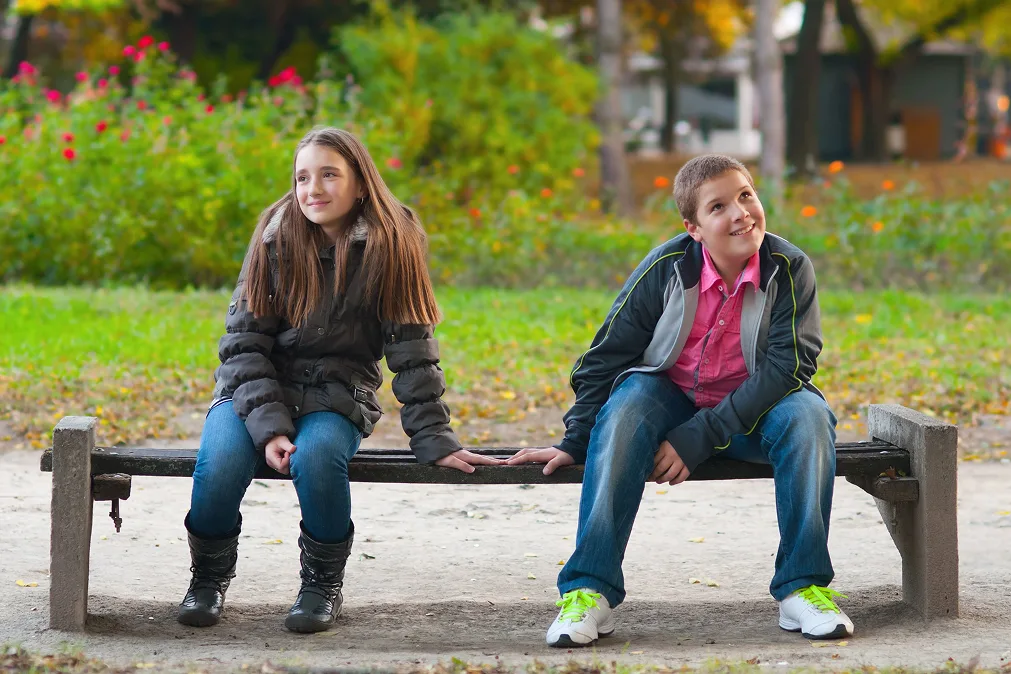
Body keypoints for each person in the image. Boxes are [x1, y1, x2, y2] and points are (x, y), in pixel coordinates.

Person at [509, 154, 853, 646]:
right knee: (628, 404)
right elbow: (606, 357)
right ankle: (588, 590)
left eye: (745, 195)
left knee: (810, 418)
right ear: (693, 227)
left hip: (755, 411)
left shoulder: (788, 267)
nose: (740, 213)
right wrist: (576, 440)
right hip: (668, 399)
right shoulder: (667, 267)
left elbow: (790, 366)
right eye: (719, 207)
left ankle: (803, 587)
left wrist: (700, 436)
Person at [177, 126, 500, 633]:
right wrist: (271, 429)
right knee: (218, 465)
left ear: (361, 184)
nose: (313, 189)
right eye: (303, 177)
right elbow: (242, 347)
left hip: (337, 393)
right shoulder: (274, 239)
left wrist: (433, 438)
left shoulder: (393, 244)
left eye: (329, 174)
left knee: (320, 458)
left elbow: (412, 352)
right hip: (254, 390)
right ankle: (207, 580)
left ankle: (321, 584)